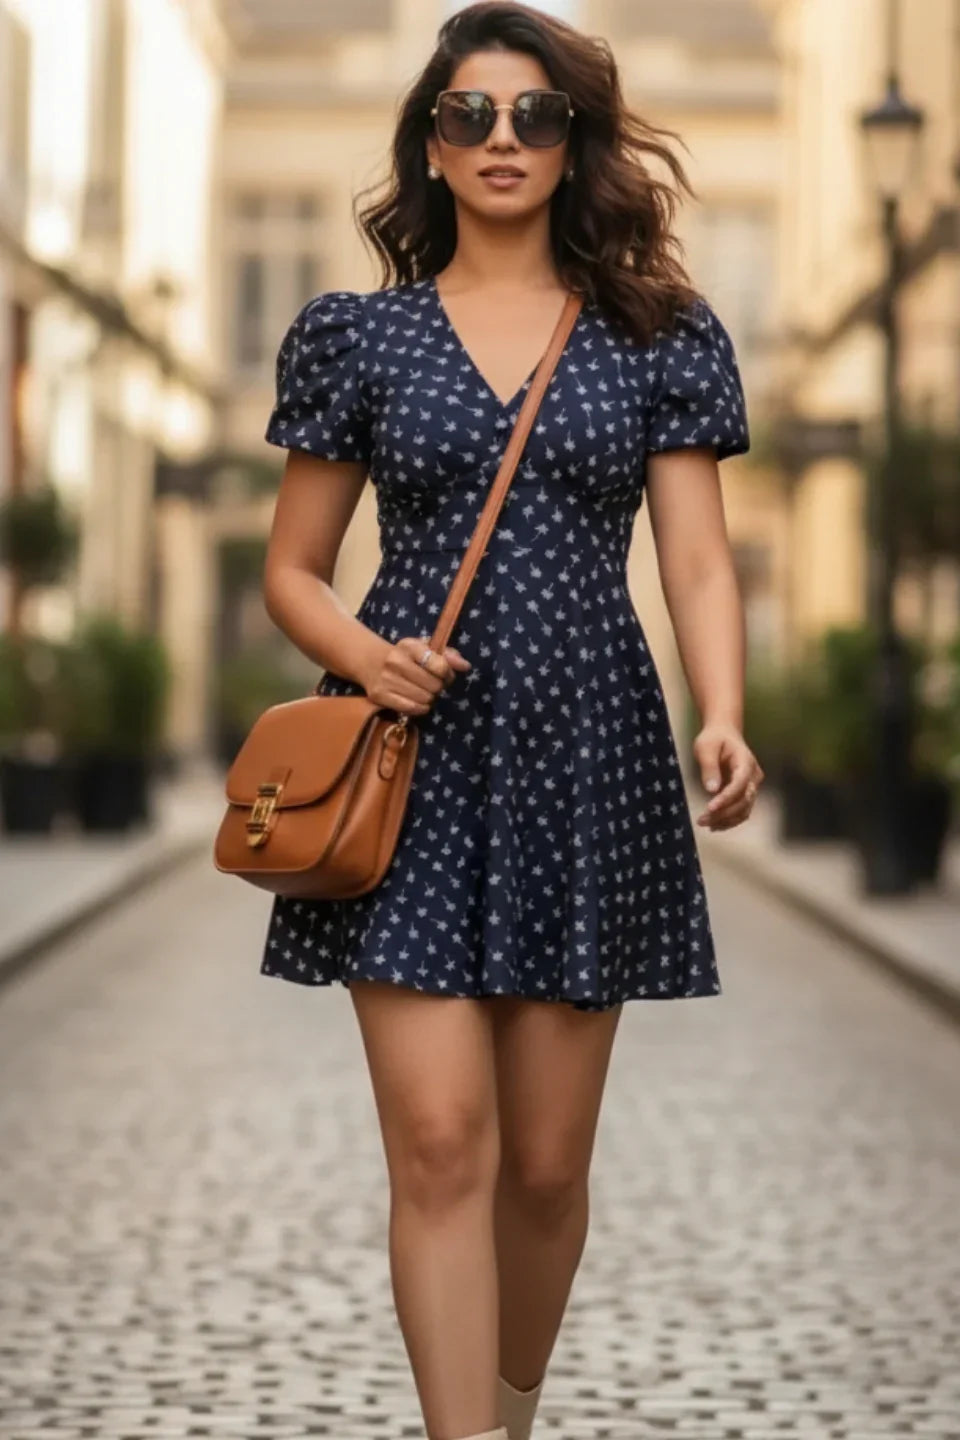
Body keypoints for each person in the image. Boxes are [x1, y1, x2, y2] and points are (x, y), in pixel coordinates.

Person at [259, 4, 763, 1437]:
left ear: (573, 140)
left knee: (543, 1169)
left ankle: (509, 1410)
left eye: (533, 117)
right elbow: (290, 573)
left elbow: (701, 560)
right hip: (405, 764)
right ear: (431, 142)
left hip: (588, 754)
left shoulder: (655, 335)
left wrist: (721, 711)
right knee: (439, 1143)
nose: (502, 141)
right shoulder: (358, 338)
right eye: (471, 116)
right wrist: (370, 653)